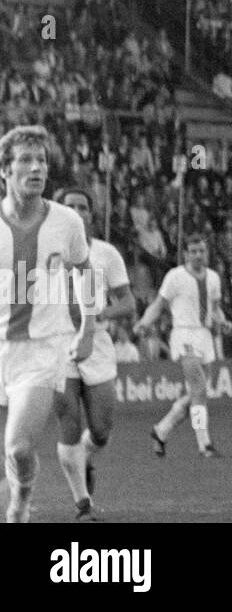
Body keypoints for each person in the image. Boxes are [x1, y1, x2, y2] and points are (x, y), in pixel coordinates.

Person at [0, 125, 96, 523]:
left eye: (41, 160)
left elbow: (85, 271)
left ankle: (21, 497)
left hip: (42, 350)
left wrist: (87, 327)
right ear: (5, 170)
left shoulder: (67, 222)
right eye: (25, 160)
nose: (36, 168)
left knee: (20, 447)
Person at [51, 187, 136, 521]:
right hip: (57, 344)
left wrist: (99, 317)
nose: (76, 210)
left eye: (83, 206)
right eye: (69, 205)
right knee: (67, 422)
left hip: (97, 344)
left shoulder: (105, 254)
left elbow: (128, 302)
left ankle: (85, 457)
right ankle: (82, 504)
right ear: (59, 210)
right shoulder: (44, 252)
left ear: (90, 213)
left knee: (101, 428)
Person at [133, 235, 228, 458]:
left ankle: (161, 430)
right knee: (199, 388)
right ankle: (204, 443)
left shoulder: (214, 278)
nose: (197, 255)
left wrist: (223, 322)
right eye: (193, 251)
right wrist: (144, 322)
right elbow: (158, 304)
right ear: (185, 254)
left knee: (198, 392)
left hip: (205, 337)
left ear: (207, 253)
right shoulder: (175, 277)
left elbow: (215, 309)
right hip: (184, 334)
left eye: (201, 251)